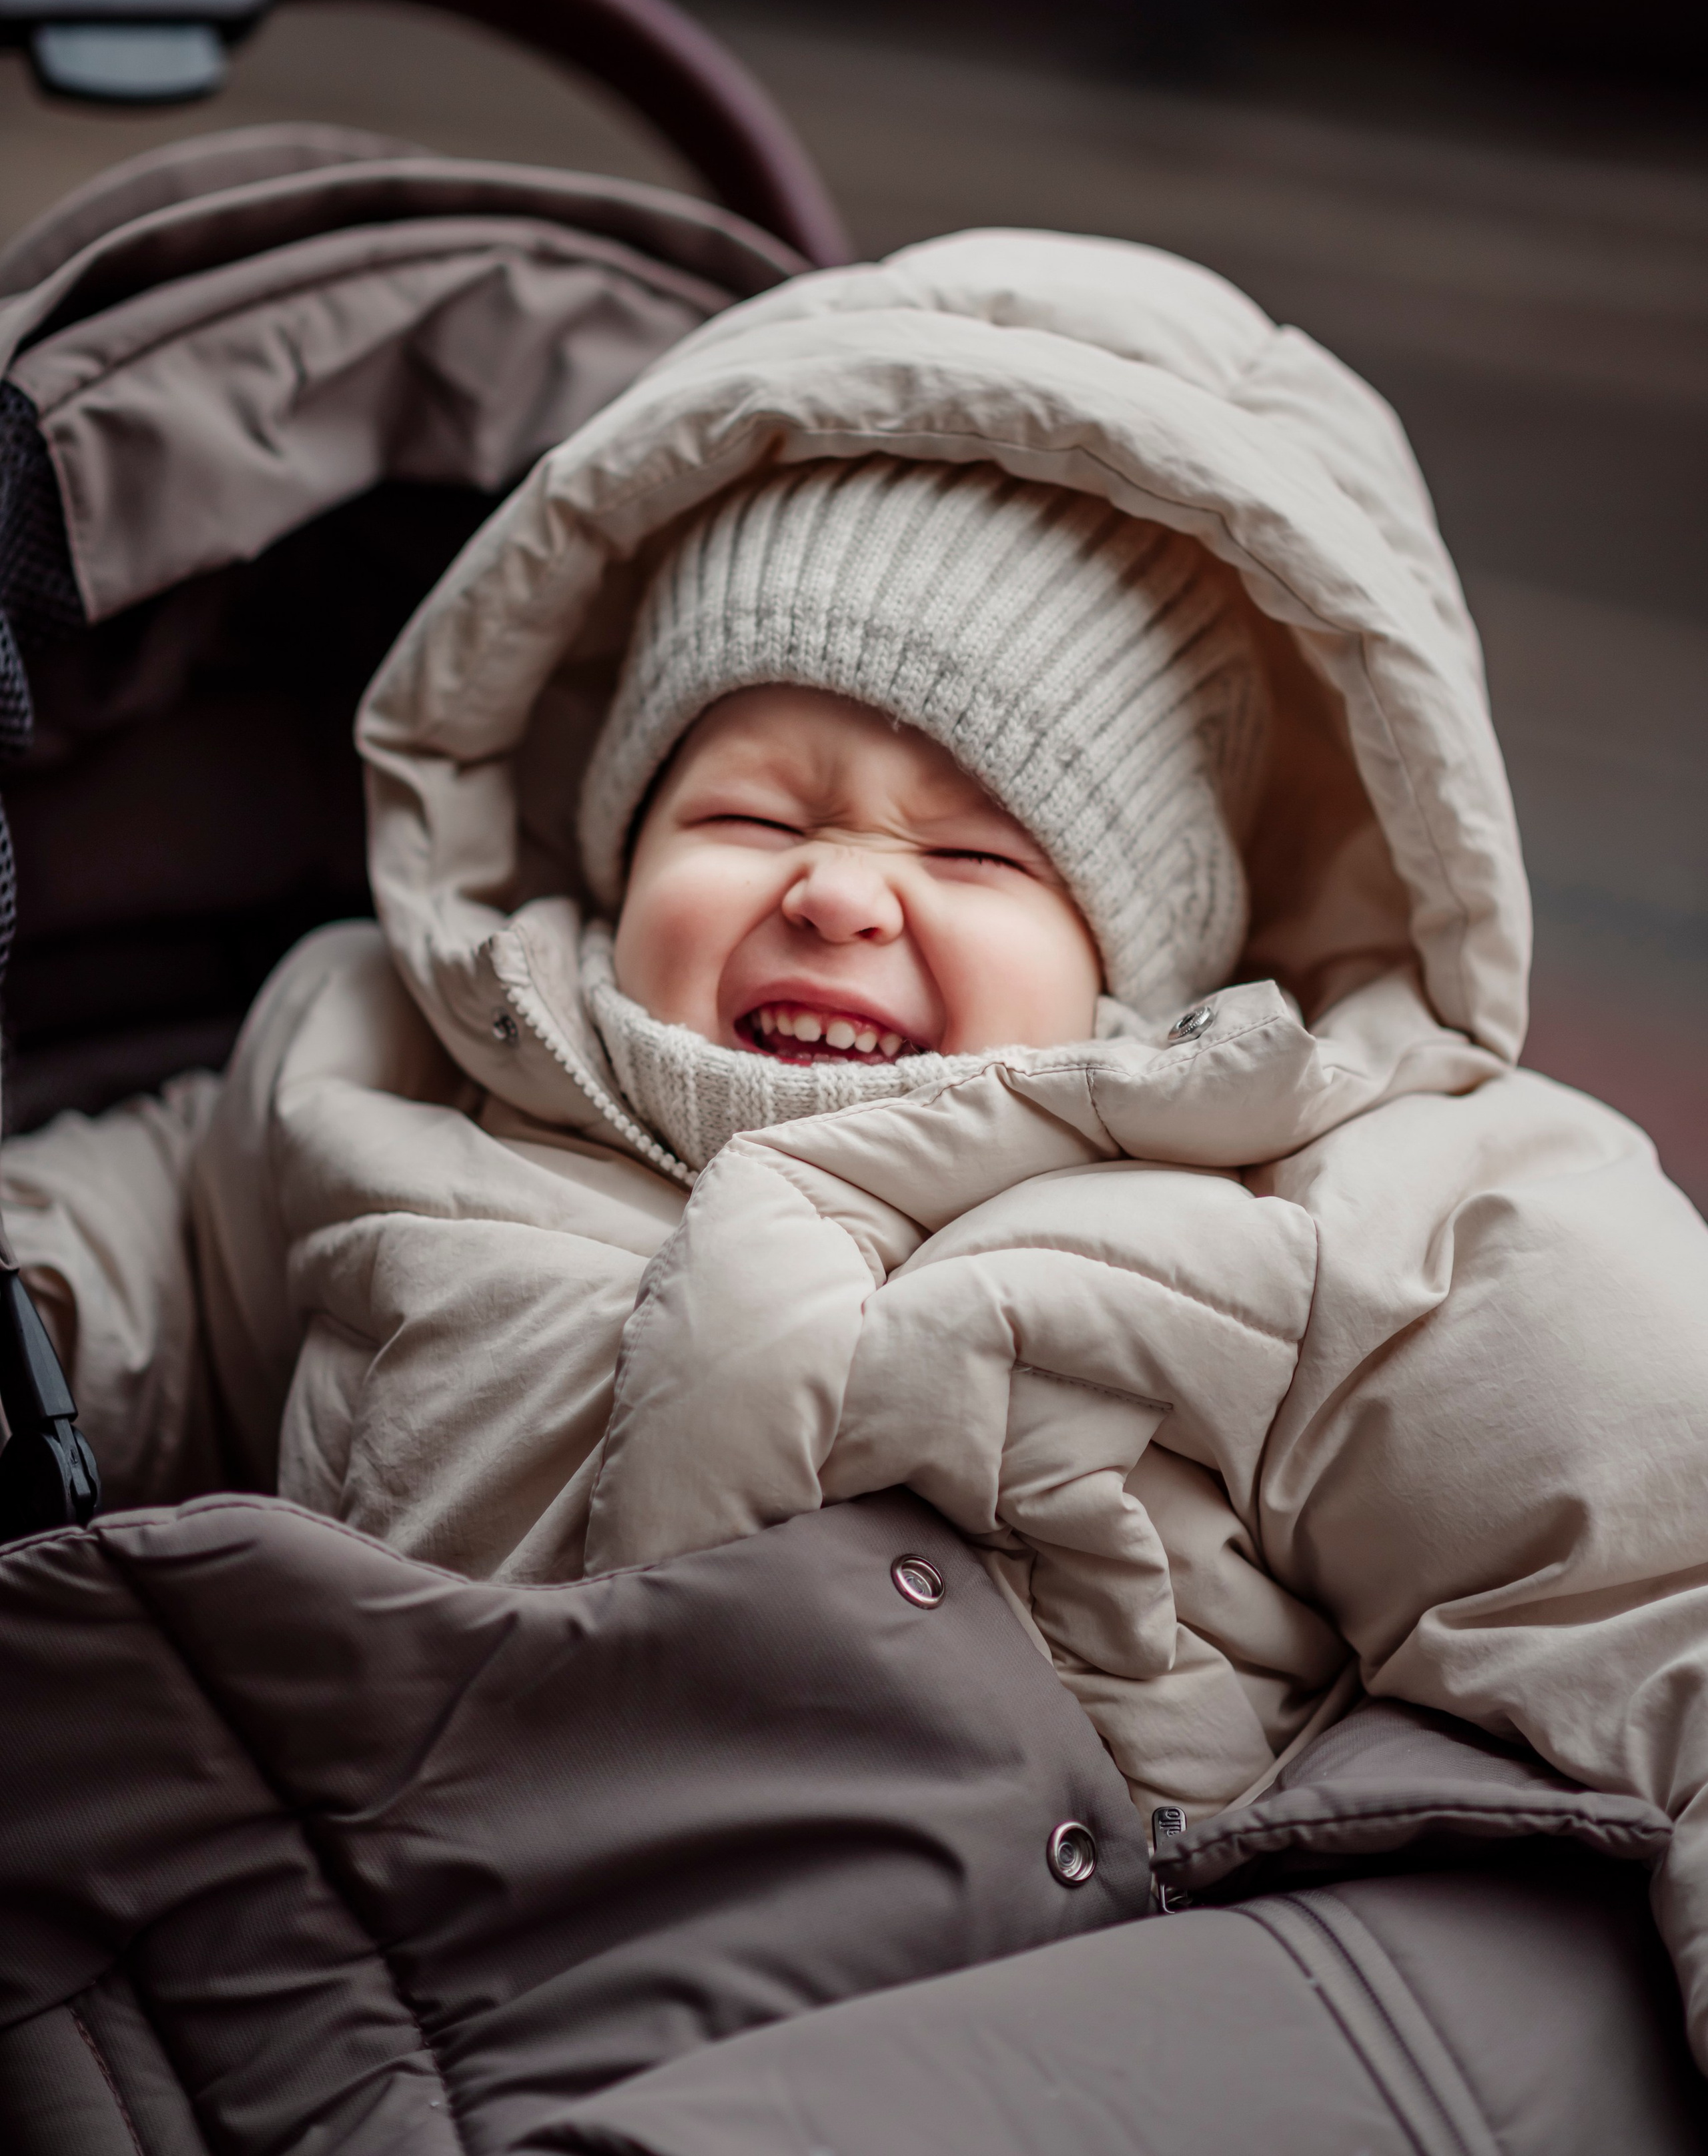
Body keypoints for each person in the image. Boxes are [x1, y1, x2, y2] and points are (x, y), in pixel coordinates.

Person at [7, 229, 1708, 2066]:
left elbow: (1647, 1559)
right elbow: (164, 1252)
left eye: (971, 857)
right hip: (350, 1996)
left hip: (995, 2037)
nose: (833, 888)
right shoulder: (393, 1053)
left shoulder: (1322, 1195)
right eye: (747, 810)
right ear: (619, 840)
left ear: (1151, 955)